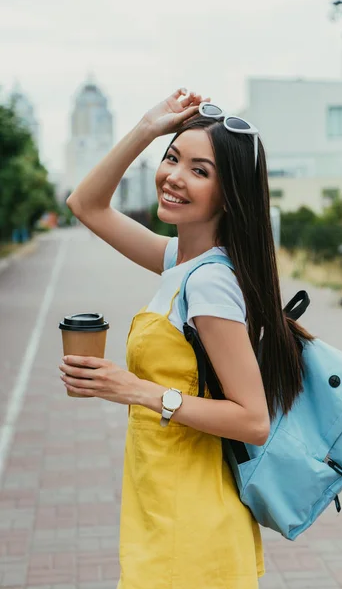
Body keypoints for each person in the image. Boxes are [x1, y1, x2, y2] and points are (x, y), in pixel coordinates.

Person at [60, 88, 313, 588]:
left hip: (190, 529)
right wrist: (148, 127)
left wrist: (134, 390)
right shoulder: (180, 261)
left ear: (230, 192)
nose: (174, 176)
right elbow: (86, 204)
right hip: (166, 510)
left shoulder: (210, 283)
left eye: (200, 170)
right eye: (172, 158)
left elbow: (254, 420)